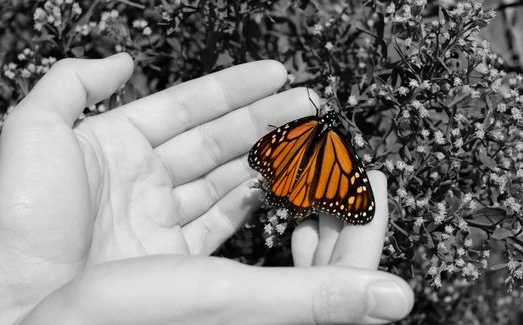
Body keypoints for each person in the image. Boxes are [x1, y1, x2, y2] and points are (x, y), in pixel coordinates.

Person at [0, 53, 413, 324]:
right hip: (298, 183)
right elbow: (278, 155)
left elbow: (277, 153)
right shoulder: (332, 146)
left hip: (294, 181)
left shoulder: (308, 132)